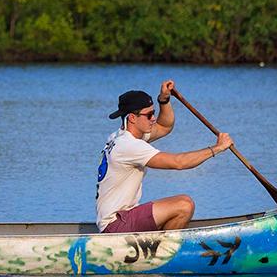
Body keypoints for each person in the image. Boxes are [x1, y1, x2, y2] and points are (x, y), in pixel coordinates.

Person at [96, 78, 234, 233]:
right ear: (132, 118)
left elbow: (164, 126)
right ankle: (165, 252)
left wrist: (164, 100)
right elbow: (178, 163)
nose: (153, 118)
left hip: (119, 220)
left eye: (153, 113)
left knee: (180, 206)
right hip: (116, 226)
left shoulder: (118, 137)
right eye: (149, 115)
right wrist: (217, 148)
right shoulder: (129, 146)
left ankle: (161, 245)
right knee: (184, 204)